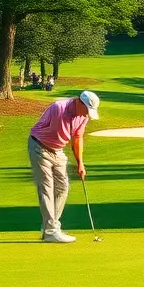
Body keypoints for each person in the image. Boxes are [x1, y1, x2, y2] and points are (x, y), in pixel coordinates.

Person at [27, 91, 100, 243]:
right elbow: (61, 134)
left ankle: (49, 226)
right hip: (39, 146)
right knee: (47, 187)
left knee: (62, 187)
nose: (86, 114)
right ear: (79, 102)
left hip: (57, 150)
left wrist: (80, 163)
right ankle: (51, 231)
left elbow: (78, 137)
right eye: (86, 110)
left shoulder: (83, 116)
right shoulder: (59, 108)